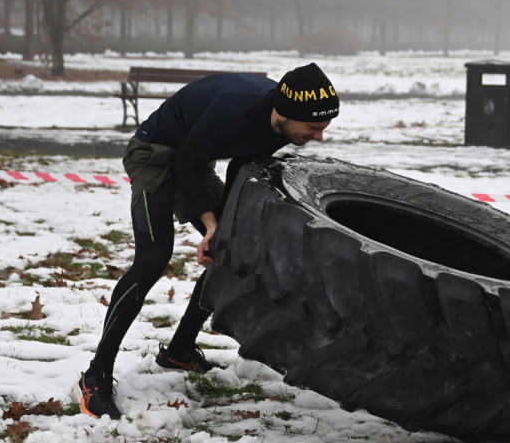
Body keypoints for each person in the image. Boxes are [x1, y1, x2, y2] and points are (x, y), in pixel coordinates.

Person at [78, 63, 339, 419]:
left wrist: (226, 229)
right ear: (288, 112)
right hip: (154, 154)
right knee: (153, 260)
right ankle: (96, 375)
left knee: (233, 251)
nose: (319, 136)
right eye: (313, 127)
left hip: (196, 159)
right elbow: (183, 164)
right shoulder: (233, 108)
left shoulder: (283, 125)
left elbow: (240, 165)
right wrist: (210, 223)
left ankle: (179, 352)